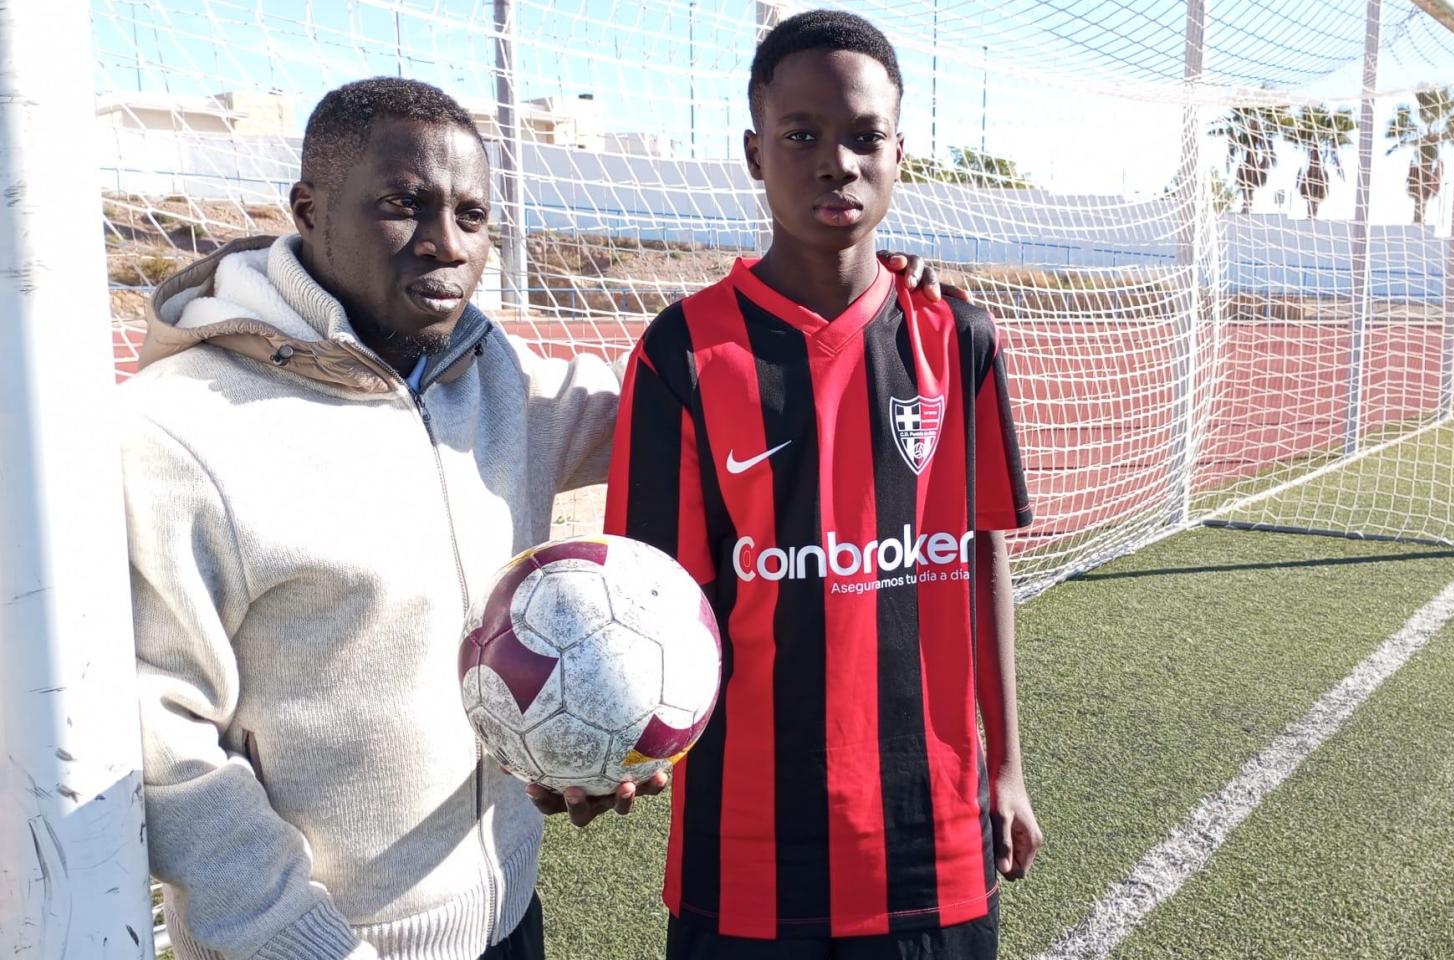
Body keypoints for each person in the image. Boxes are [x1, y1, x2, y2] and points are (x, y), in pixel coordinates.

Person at [124, 75, 955, 960]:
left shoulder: (498, 380)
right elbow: (159, 739)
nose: (446, 245)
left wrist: (856, 294)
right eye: (404, 205)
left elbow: (691, 393)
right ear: (309, 209)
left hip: (508, 923)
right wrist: (306, 944)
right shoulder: (180, 431)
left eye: (473, 216)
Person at [603, 11, 1044, 959]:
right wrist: (620, 750)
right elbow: (645, 606)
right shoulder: (682, 353)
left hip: (934, 846)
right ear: (756, 153)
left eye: (862, 136)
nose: (834, 161)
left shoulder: (958, 336)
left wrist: (1006, 765)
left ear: (898, 153)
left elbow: (981, 555)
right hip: (746, 853)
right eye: (801, 136)